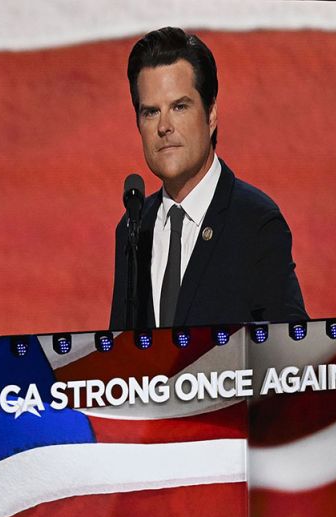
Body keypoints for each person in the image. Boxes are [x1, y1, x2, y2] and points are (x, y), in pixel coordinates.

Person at [109, 27, 308, 330]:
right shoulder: (133, 228)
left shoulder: (255, 222)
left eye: (179, 107)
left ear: (211, 113)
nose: (164, 126)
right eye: (150, 112)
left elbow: (293, 351)